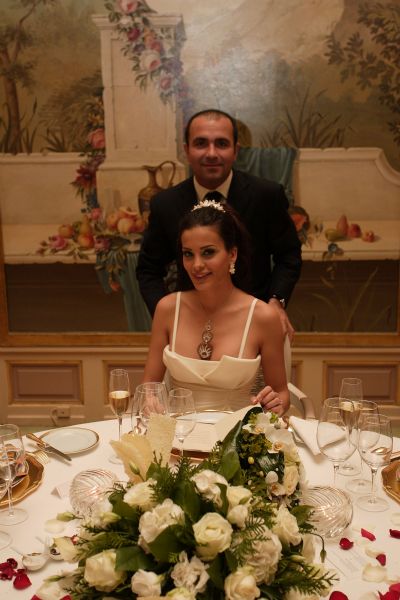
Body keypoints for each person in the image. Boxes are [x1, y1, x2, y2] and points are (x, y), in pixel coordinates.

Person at [136, 108, 302, 340]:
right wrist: (168, 315)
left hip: (255, 326)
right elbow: (148, 269)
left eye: (222, 144)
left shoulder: (266, 195)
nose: (211, 153)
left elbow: (289, 255)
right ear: (186, 150)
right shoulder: (165, 204)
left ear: (236, 151)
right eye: (201, 143)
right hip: (190, 329)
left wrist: (277, 301)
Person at [142, 201, 290, 416]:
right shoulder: (167, 309)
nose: (196, 265)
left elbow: (281, 393)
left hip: (235, 433)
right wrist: (149, 401)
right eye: (188, 254)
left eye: (208, 252)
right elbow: (149, 386)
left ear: (232, 254)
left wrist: (276, 403)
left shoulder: (262, 316)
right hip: (179, 432)